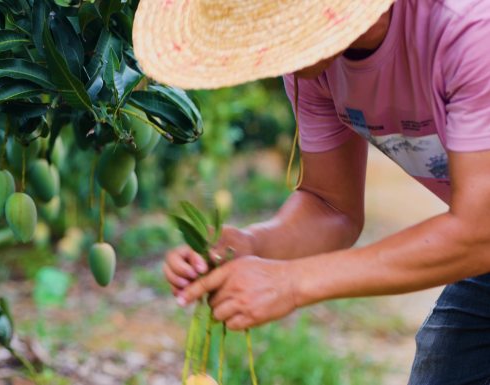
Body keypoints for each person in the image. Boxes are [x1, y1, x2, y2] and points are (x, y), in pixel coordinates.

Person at [132, 0, 490, 383]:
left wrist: (293, 282)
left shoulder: (468, 29)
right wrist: (251, 246)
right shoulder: (314, 66)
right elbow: (331, 206)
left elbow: (478, 233)